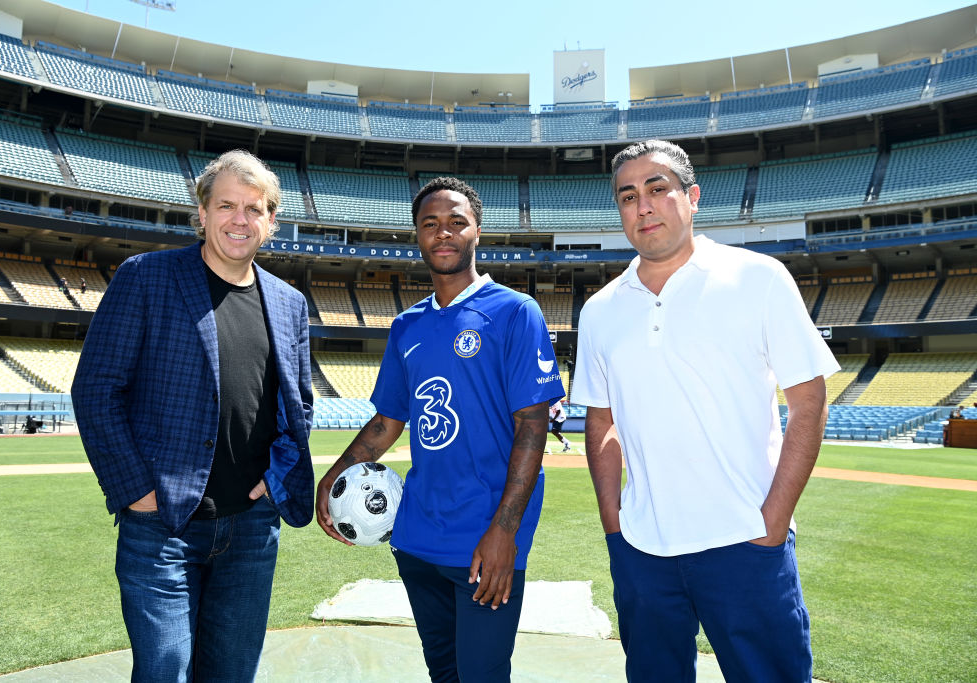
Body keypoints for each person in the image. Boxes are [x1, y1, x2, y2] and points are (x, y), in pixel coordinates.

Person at [571, 139, 839, 682]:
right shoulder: (600, 310)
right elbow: (601, 423)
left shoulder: (758, 277)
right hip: (642, 548)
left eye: (657, 189)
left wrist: (772, 523)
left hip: (744, 542)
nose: (642, 205)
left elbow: (808, 402)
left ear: (692, 197)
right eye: (627, 196)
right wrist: (614, 527)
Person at [72, 149, 315, 682]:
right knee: (164, 672)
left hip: (251, 529)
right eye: (227, 205)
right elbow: (96, 390)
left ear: (271, 221)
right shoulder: (146, 278)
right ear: (201, 213)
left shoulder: (290, 302)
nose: (240, 219)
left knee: (231, 674)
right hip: (162, 526)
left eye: (254, 209)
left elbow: (300, 405)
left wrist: (273, 481)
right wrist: (137, 491)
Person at [315, 177, 564, 682]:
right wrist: (335, 475)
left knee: (483, 675)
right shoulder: (407, 325)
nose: (443, 233)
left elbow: (532, 427)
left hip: (484, 542)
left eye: (456, 222)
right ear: (417, 236)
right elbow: (387, 421)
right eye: (430, 224)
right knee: (445, 674)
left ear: (477, 231)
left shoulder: (516, 312)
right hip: (416, 538)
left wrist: (504, 532)